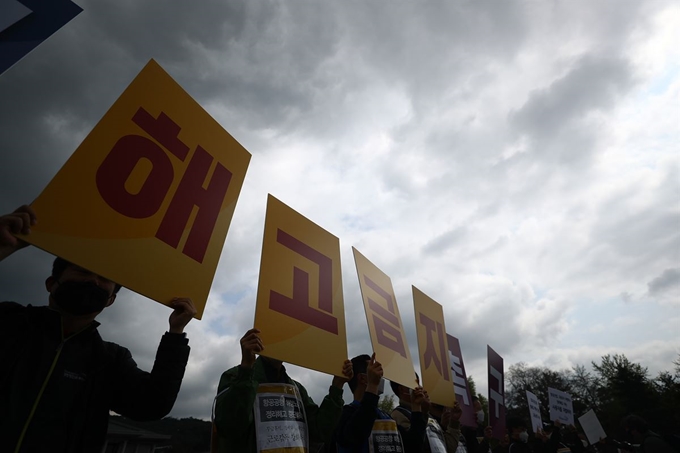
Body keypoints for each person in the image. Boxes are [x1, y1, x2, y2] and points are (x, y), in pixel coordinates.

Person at [0, 205, 197, 452]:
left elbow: (152, 405)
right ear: (52, 283)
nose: (93, 281)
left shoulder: (110, 359)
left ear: (111, 299)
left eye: (105, 279)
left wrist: (175, 335)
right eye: (83, 271)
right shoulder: (8, 320)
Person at [213, 328, 353, 452]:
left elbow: (319, 432)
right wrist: (246, 369)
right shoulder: (235, 376)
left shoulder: (296, 389)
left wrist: (337, 387)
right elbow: (229, 427)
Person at [390, 375, 431, 452]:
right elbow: (416, 444)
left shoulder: (424, 412)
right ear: (401, 389)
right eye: (415, 384)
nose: (421, 388)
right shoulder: (398, 415)